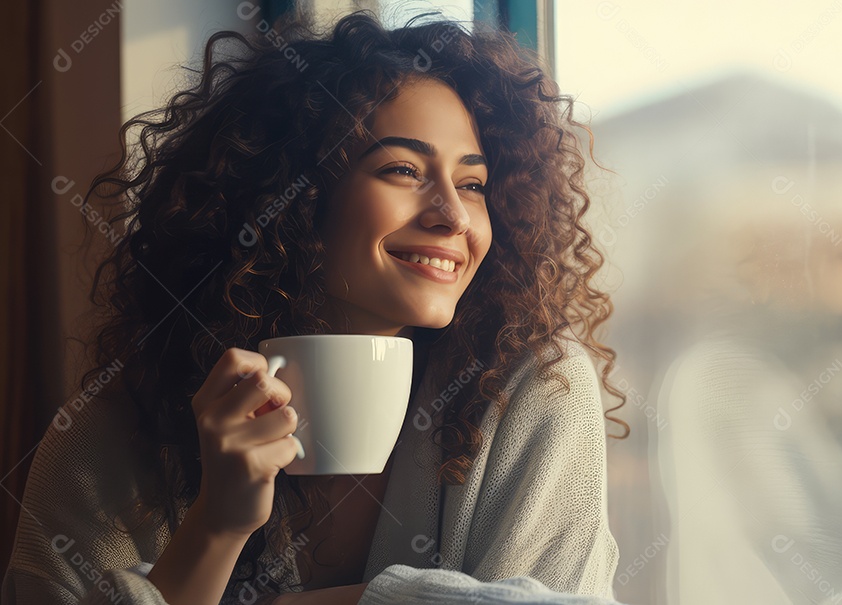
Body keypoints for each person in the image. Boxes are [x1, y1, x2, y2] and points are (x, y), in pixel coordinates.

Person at [1, 9, 630, 604]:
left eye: (473, 184)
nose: (452, 215)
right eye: (403, 171)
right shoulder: (116, 433)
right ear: (295, 198)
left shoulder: (529, 384)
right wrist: (217, 526)